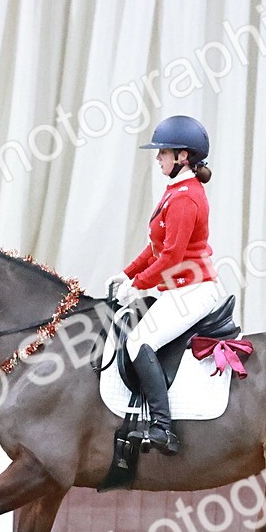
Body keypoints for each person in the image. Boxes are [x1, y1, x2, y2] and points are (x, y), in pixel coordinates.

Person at [105, 115, 222, 456]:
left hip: (193, 289)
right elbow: (156, 246)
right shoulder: (176, 191)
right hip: (179, 287)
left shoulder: (185, 198)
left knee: (139, 342)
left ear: (183, 157)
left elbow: (171, 257)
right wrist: (127, 273)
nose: (158, 158)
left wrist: (139, 284)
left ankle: (162, 427)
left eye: (163, 152)